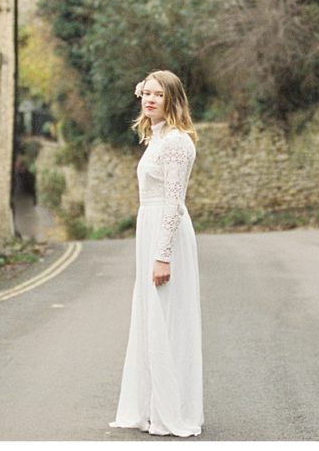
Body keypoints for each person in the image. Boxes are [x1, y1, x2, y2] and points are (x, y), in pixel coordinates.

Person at [109, 70, 203, 437]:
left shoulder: (177, 142)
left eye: (157, 96)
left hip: (166, 233)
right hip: (148, 229)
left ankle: (170, 410)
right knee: (150, 317)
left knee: (166, 319)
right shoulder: (159, 136)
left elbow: (174, 203)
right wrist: (150, 85)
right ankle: (151, 406)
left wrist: (162, 255)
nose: (148, 100)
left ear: (172, 100)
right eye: (145, 94)